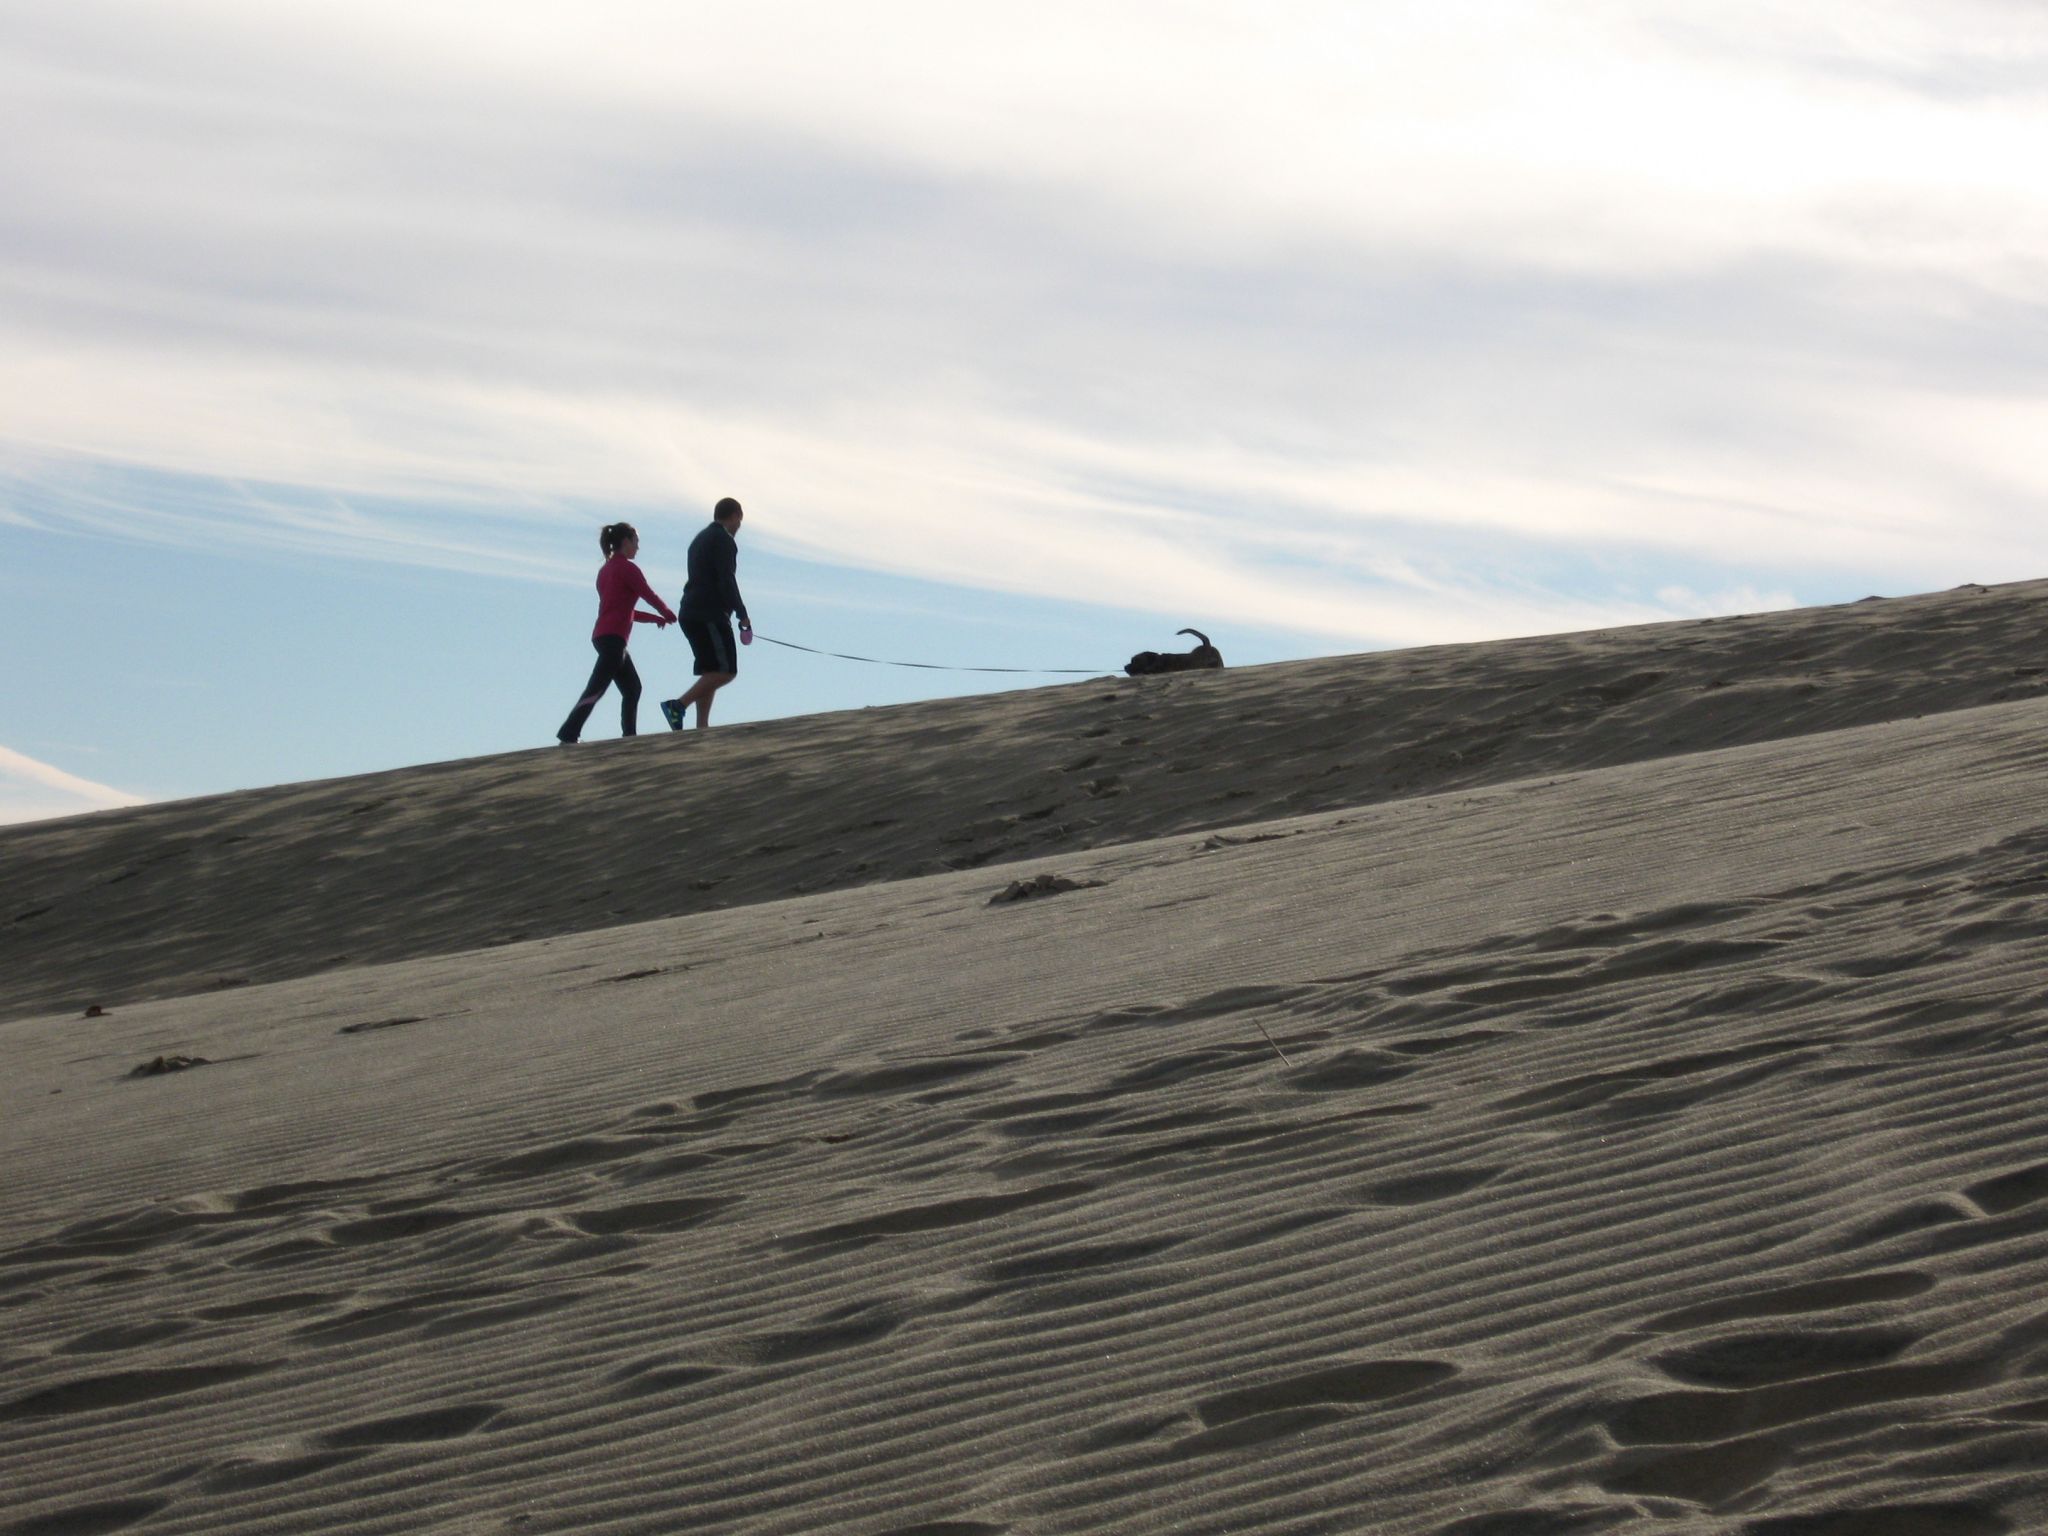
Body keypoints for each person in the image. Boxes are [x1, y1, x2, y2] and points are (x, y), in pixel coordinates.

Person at [556, 522, 675, 744]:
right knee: (596, 688)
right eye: (636, 542)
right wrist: (666, 611)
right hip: (613, 639)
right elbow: (647, 593)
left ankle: (629, 737)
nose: (638, 547)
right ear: (626, 541)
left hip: (605, 636)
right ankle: (568, 734)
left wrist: (656, 618)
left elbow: (624, 609)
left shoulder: (605, 571)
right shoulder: (627, 569)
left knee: (632, 688)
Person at [661, 497, 752, 730]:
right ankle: (678, 705)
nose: (738, 526)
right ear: (734, 516)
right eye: (739, 520)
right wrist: (741, 612)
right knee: (726, 670)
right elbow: (726, 579)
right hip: (708, 612)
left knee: (710, 671)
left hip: (690, 611)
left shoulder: (700, 539)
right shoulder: (723, 540)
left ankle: (702, 726)